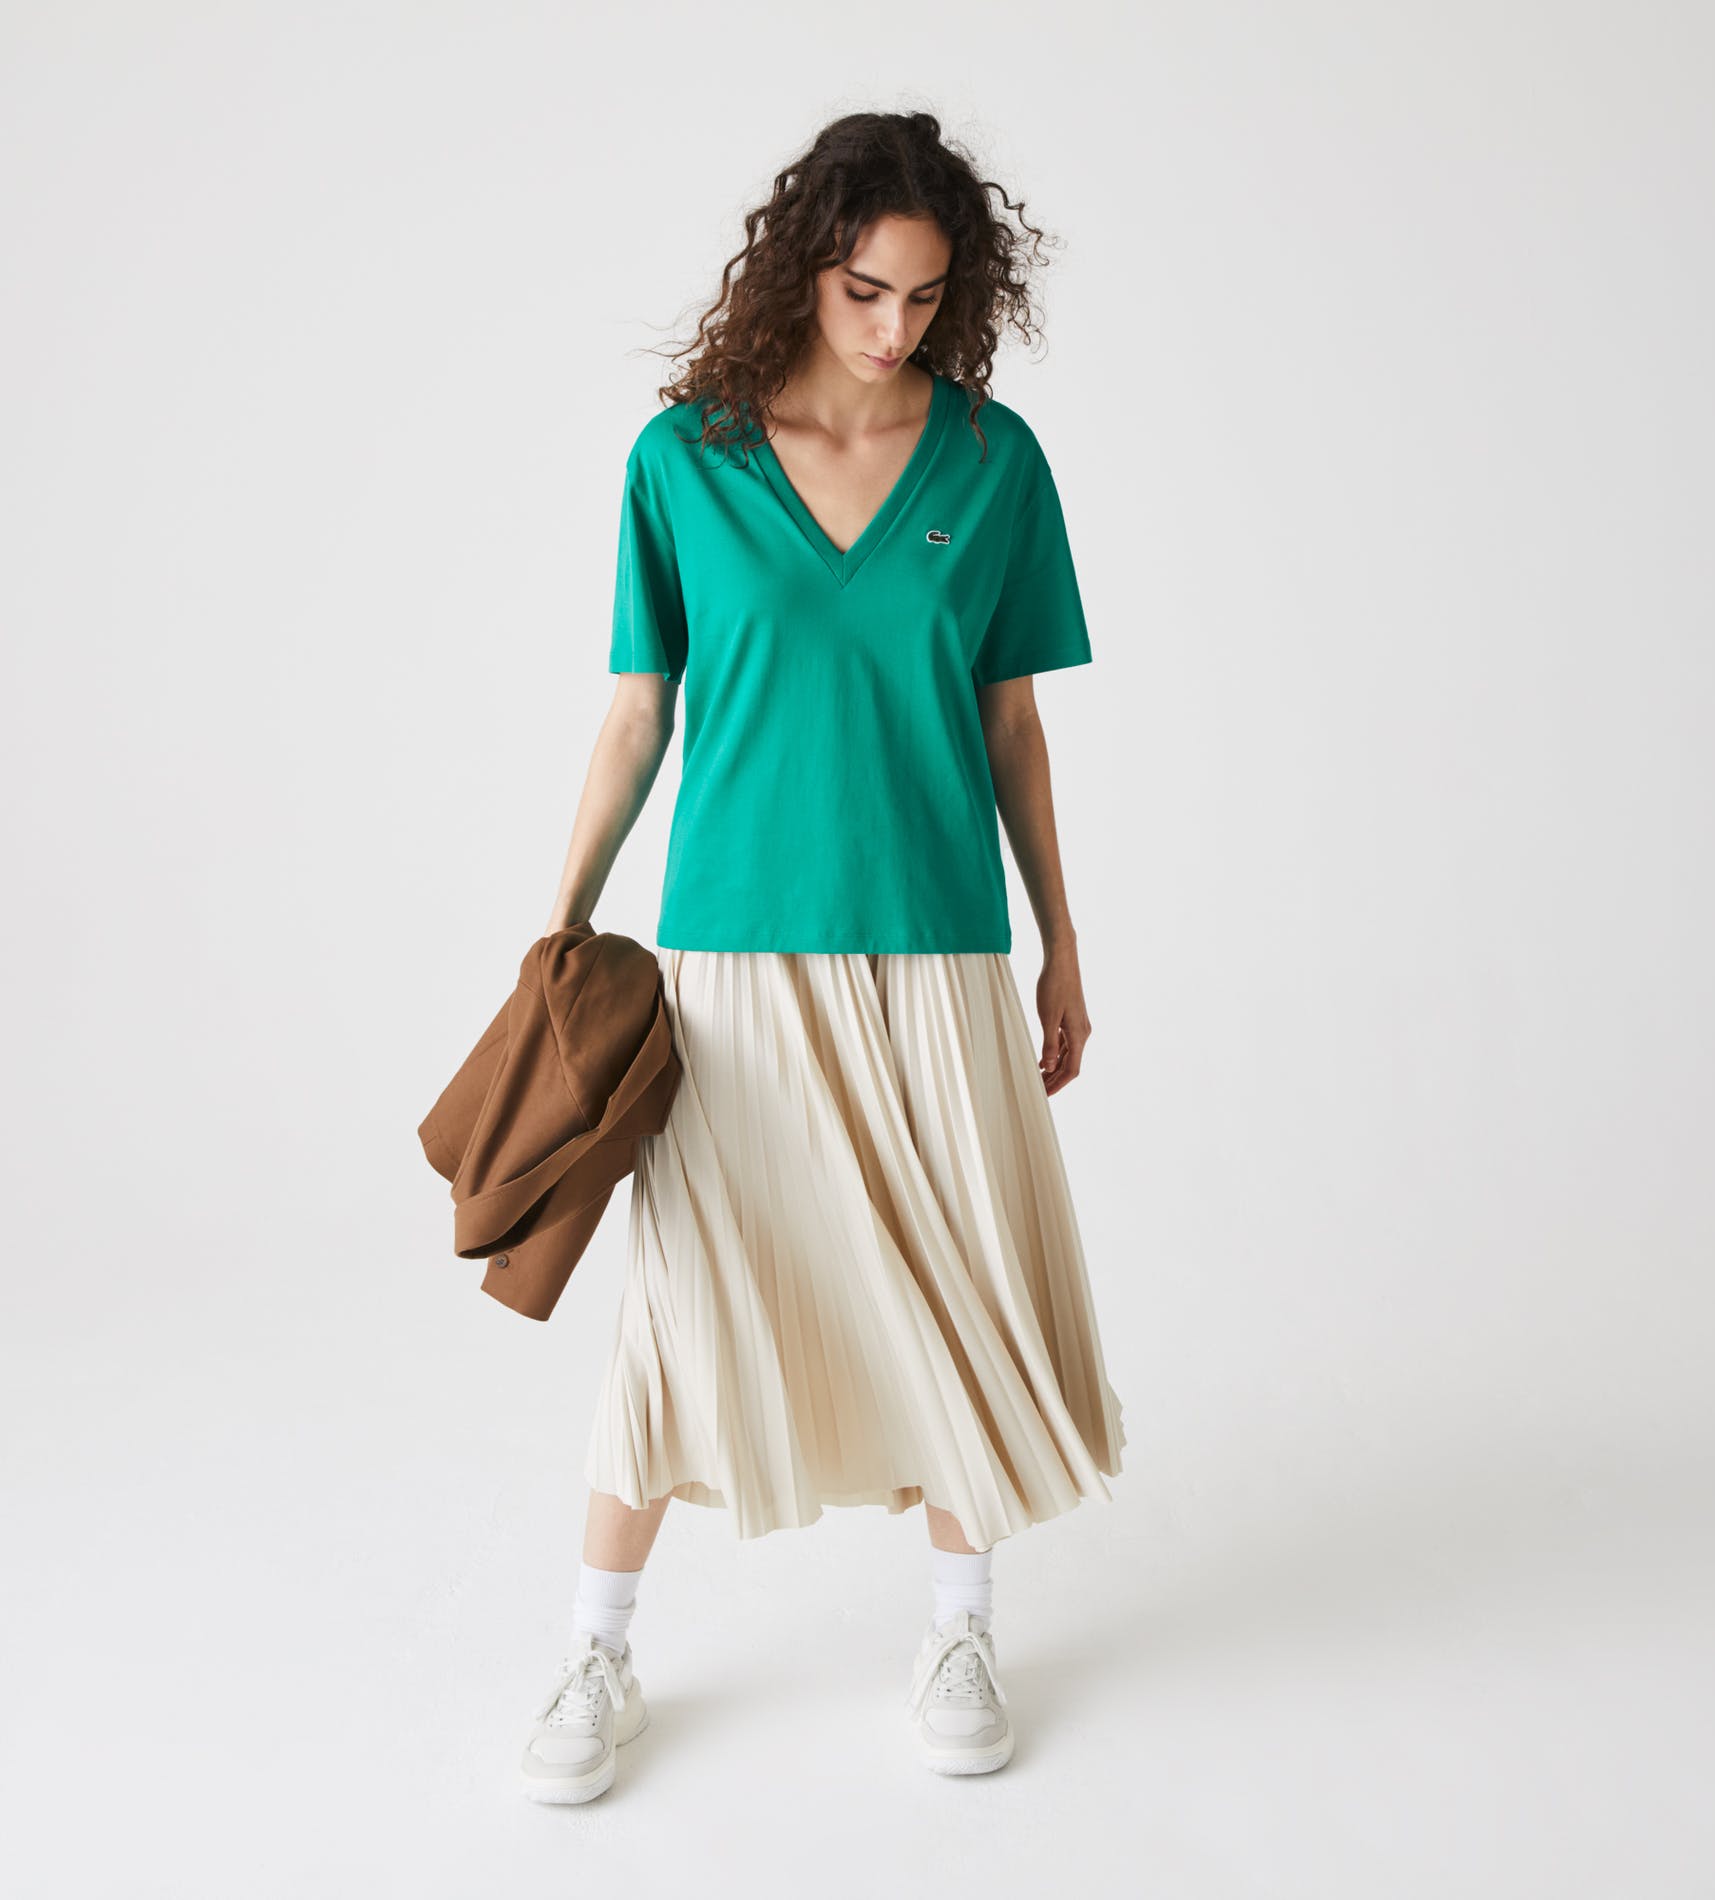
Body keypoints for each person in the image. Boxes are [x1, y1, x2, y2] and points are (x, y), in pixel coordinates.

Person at [516, 108, 1126, 1806]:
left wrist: (1064, 938)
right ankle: (598, 1653)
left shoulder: (994, 464)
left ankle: (960, 1630)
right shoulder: (686, 460)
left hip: (937, 944)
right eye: (866, 290)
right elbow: (637, 713)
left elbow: (1010, 722)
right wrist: (562, 916)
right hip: (730, 960)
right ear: (805, 266)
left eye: (926, 299)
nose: (893, 327)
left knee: (961, 1283)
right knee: (683, 1306)